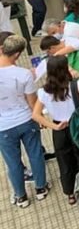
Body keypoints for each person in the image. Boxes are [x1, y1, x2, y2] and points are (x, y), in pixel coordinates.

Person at [32, 55, 79, 204]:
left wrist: (54, 126)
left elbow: (35, 115)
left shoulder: (43, 92)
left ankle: (70, 194)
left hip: (59, 129)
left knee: (65, 162)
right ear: (64, 69)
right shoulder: (77, 84)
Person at [0, 34, 49, 208]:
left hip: (3, 126)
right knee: (35, 154)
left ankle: (21, 196)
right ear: (17, 54)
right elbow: (32, 102)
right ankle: (41, 188)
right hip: (27, 120)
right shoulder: (24, 74)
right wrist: (41, 118)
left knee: (12, 162)